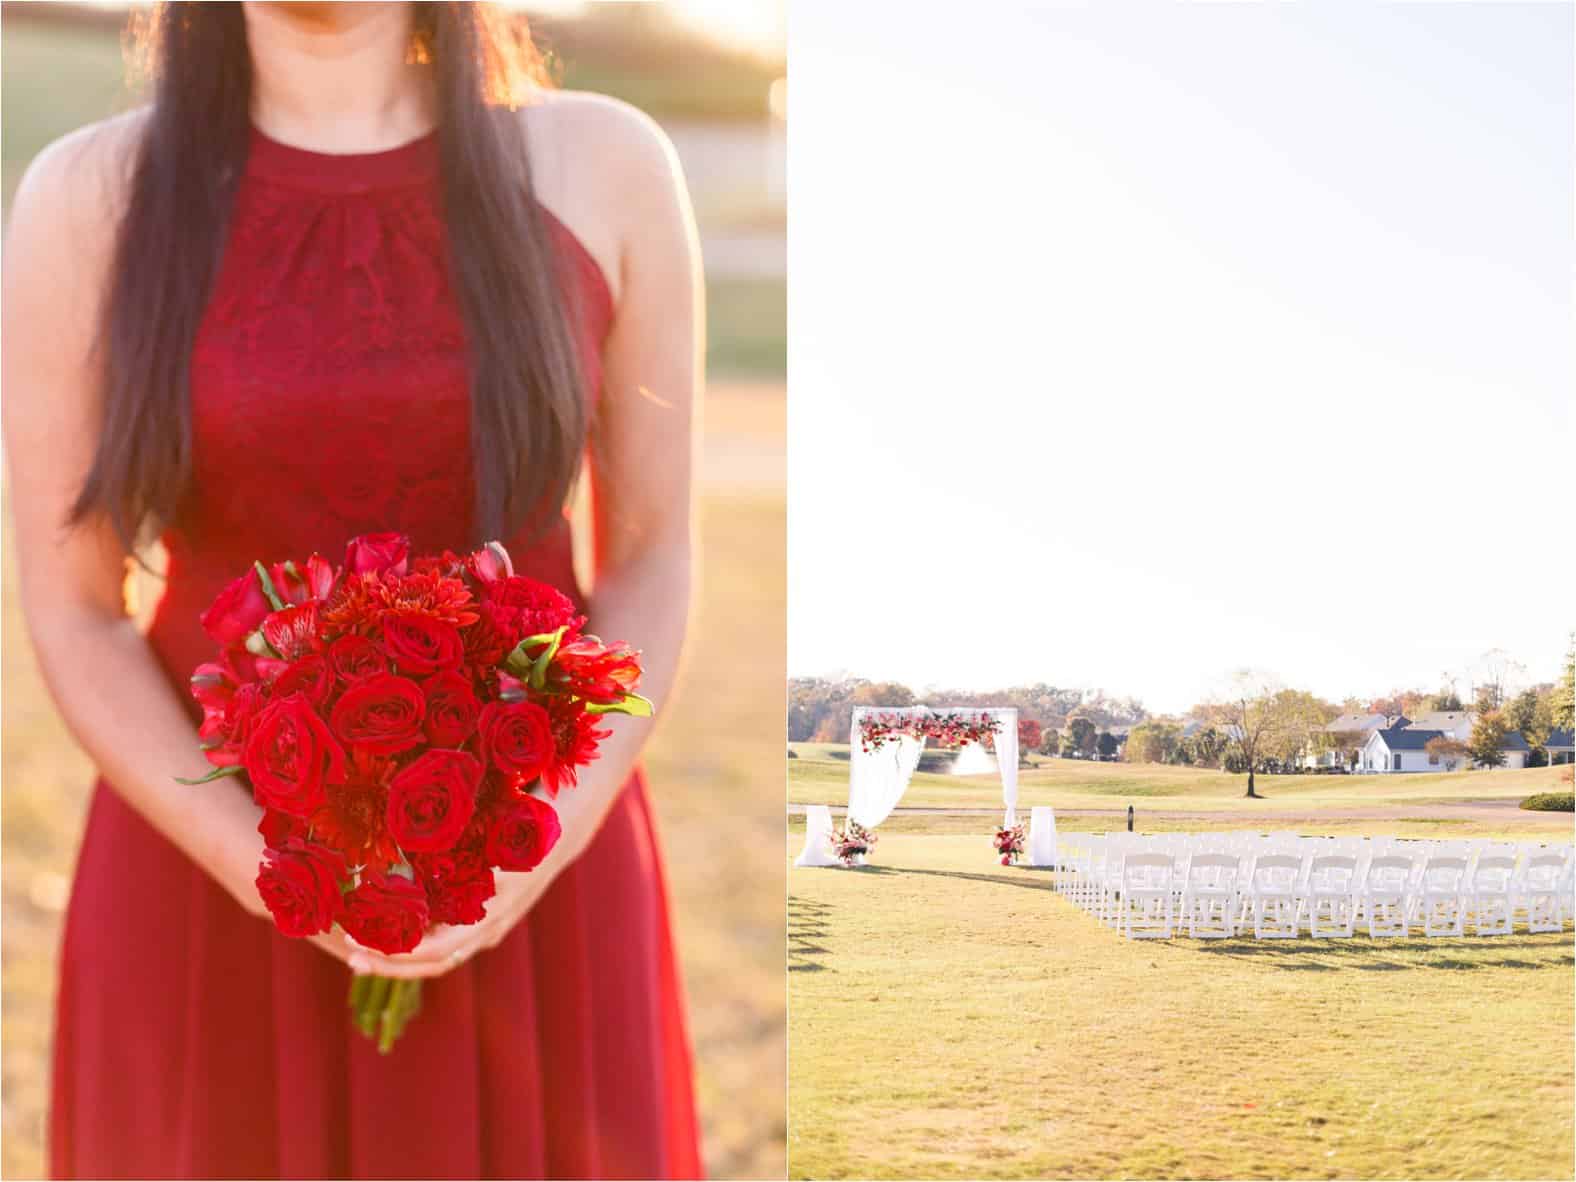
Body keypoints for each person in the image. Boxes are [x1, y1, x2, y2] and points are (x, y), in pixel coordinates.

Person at [0, 2, 702, 1176]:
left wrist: (531, 855)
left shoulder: (605, 161)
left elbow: (652, 559)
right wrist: (281, 878)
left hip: (539, 870)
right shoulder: (89, 195)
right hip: (204, 878)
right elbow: (74, 608)